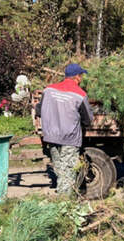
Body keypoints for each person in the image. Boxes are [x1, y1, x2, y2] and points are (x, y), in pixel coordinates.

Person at [36, 63, 94, 195]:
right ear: (77, 77)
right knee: (67, 173)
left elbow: (39, 110)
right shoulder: (80, 94)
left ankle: (62, 201)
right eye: (81, 76)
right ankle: (64, 205)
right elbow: (88, 120)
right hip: (69, 139)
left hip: (51, 136)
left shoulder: (48, 90)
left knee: (61, 171)